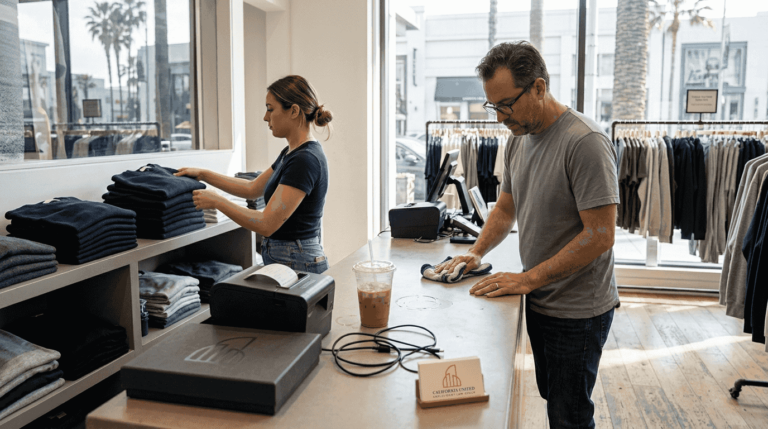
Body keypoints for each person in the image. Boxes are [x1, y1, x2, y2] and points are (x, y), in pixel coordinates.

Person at [437, 42, 619, 428]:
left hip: (578, 309)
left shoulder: (585, 142)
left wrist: (528, 278)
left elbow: (601, 235)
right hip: (540, 298)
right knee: (554, 398)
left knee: (569, 414)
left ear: (538, 87)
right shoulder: (518, 137)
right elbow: (505, 207)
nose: (500, 117)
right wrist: (476, 251)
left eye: (507, 104)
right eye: (493, 106)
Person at [176, 75, 332, 274]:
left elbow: (267, 224)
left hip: (297, 260)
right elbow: (252, 189)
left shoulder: (305, 159)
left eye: (270, 109)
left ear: (293, 111)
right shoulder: (291, 153)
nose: (265, 117)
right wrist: (204, 174)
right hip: (290, 257)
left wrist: (217, 202)